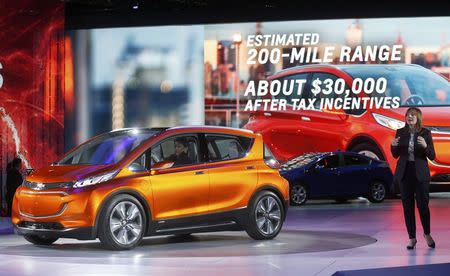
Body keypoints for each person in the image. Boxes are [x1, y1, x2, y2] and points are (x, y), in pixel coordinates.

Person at [391, 107, 436, 250]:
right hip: (405, 173)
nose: (409, 117)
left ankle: (427, 234)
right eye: (407, 115)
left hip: (420, 174)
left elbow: (432, 155)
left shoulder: (426, 133)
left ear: (418, 118)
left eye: (412, 115)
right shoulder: (400, 132)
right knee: (407, 207)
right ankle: (412, 238)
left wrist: (425, 146)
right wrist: (393, 146)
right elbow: (395, 155)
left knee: (423, 205)